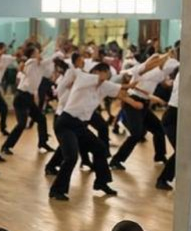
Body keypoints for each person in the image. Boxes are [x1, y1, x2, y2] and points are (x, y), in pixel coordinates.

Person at [48, 63, 132, 200]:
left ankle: (101, 182)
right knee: (71, 157)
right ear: (98, 72)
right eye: (105, 73)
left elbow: (121, 90)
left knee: (100, 148)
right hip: (66, 123)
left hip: (80, 125)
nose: (107, 76)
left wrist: (133, 88)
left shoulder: (104, 85)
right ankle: (56, 190)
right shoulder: (84, 77)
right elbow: (74, 72)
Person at [2, 44, 54, 155]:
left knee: (41, 119)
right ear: (32, 55)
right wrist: (57, 53)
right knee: (22, 124)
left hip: (28, 97)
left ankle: (43, 143)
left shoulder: (39, 66)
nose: (38, 54)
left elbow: (48, 72)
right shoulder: (31, 62)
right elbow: (42, 61)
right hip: (21, 97)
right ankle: (6, 146)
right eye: (36, 52)